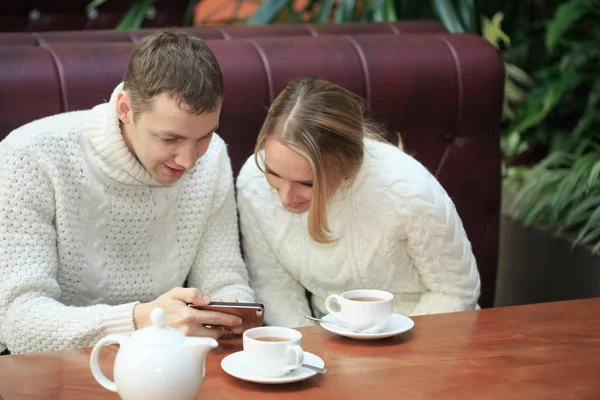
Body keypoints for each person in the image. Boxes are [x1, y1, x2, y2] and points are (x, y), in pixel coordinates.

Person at [0, 31, 255, 355]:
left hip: (169, 362)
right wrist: (138, 321)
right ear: (124, 108)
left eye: (204, 136)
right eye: (169, 138)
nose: (189, 161)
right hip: (53, 370)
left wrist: (231, 311)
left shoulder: (212, 156)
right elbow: (19, 324)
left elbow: (226, 281)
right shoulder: (30, 157)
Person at [236, 75, 480, 328]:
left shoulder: (409, 193)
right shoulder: (253, 183)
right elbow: (273, 283)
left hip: (425, 335)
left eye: (307, 183)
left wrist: (392, 349)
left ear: (349, 166)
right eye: (273, 173)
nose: (285, 197)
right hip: (330, 339)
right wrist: (305, 346)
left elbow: (455, 292)